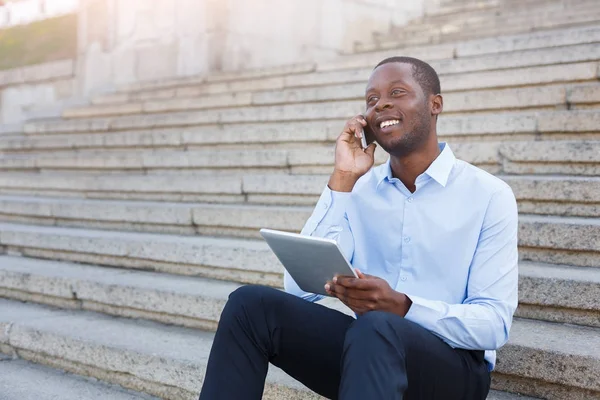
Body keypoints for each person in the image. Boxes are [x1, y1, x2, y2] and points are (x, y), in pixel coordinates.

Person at [199, 56, 519, 400]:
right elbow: (299, 290)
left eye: (397, 92)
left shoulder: (488, 194)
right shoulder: (359, 189)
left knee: (377, 326)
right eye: (371, 100)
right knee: (250, 306)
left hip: (453, 370)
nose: (381, 104)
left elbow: (493, 325)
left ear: (435, 104)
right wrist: (343, 178)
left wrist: (405, 306)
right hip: (369, 353)